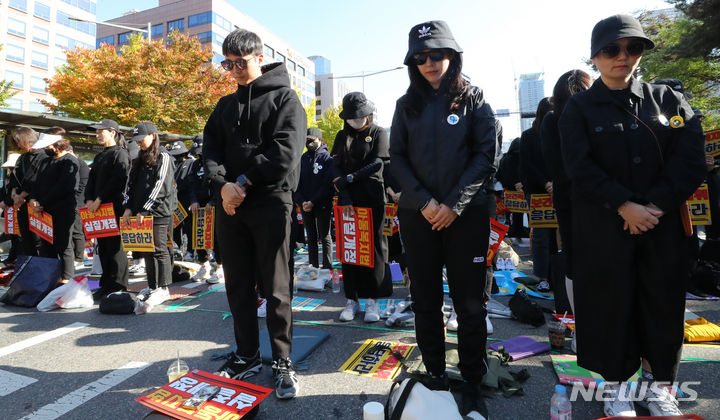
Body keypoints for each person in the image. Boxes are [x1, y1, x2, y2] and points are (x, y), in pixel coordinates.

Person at [559, 15, 707, 417]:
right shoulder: (579, 109)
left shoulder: (670, 100)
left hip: (662, 229)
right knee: (610, 305)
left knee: (662, 305)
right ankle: (615, 386)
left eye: (633, 48)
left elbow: (691, 159)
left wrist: (654, 207)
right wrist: (625, 205)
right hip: (606, 228)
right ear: (594, 57)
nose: (623, 57)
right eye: (611, 50)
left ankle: (661, 386)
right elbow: (579, 166)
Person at [390, 20, 498, 418]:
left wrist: (453, 204)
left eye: (438, 53)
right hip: (419, 216)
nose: (431, 62)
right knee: (425, 301)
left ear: (453, 55)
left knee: (470, 304)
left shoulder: (475, 99)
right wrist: (423, 202)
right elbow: (396, 157)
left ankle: (472, 379)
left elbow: (485, 156)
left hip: (465, 217)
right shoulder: (406, 105)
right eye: (421, 57)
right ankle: (435, 373)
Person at [202, 28, 305, 399]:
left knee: (276, 287)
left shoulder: (285, 99)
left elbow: (285, 153)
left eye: (240, 63)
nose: (234, 71)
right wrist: (223, 186)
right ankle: (246, 353)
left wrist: (241, 182)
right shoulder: (224, 106)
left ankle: (281, 359)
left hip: (270, 202)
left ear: (259, 58)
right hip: (230, 206)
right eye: (228, 64)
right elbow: (209, 150)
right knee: (237, 284)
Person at [331, 92, 392, 323]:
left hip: (372, 198)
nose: (356, 121)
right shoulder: (341, 135)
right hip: (348, 200)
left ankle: (373, 299)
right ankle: (352, 299)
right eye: (352, 118)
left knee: (374, 246)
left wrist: (351, 178)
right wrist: (344, 192)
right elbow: (335, 167)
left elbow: (378, 162)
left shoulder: (378, 132)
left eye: (360, 116)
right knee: (350, 247)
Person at [541, 69, 592, 321]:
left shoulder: (551, 120)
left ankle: (578, 325)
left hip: (568, 199)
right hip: (602, 199)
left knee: (574, 259)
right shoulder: (594, 115)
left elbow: (554, 165)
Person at [123, 122, 175, 306]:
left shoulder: (164, 156)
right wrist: (129, 208)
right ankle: (153, 286)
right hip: (140, 213)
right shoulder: (139, 158)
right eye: (136, 140)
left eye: (141, 139)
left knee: (160, 250)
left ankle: (164, 288)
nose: (139, 143)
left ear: (153, 136)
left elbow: (162, 186)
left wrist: (146, 208)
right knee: (146, 250)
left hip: (158, 212)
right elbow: (131, 185)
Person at [86, 119, 131, 300]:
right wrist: (89, 199)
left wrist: (99, 198)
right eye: (96, 132)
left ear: (112, 132)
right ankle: (106, 284)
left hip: (113, 207)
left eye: (100, 131)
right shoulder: (100, 156)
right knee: (102, 248)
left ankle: (119, 285)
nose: (97, 135)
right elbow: (91, 180)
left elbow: (118, 180)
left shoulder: (120, 154)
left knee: (115, 248)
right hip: (98, 209)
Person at [27, 128, 80, 281]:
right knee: (46, 244)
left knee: (63, 245)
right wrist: (33, 199)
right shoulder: (45, 161)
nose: (45, 149)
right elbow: (35, 183)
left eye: (48, 146)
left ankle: (66, 279)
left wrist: (42, 202)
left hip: (63, 209)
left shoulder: (69, 161)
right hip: (43, 210)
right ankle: (49, 277)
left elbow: (64, 187)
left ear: (58, 144)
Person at [519, 98, 555, 294]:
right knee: (541, 235)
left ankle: (559, 273)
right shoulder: (529, 136)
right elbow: (527, 164)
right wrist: (545, 182)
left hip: (559, 190)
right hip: (537, 192)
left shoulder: (562, 132)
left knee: (560, 236)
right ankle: (542, 276)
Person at [294, 127, 334, 269]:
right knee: (310, 236)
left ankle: (327, 267)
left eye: (312, 140)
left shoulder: (327, 159)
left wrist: (313, 201)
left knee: (325, 236)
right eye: (307, 140)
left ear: (320, 140)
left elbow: (328, 185)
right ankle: (313, 266)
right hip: (305, 204)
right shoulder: (303, 159)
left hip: (322, 203)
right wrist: (302, 201)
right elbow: (296, 182)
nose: (309, 143)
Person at [8, 127, 46, 257]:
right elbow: (13, 179)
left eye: (19, 140)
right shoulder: (22, 158)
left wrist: (21, 196)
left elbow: (36, 180)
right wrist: (14, 195)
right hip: (21, 204)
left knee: (38, 239)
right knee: (26, 239)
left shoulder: (43, 156)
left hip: (36, 203)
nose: (18, 144)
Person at [68, 144, 90, 271]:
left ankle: (79, 258)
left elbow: (82, 185)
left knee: (77, 232)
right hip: (70, 203)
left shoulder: (80, 164)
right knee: (70, 232)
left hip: (79, 203)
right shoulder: (70, 163)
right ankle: (74, 257)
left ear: (71, 151)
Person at [0, 153, 22, 264]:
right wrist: (2, 201)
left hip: (17, 208)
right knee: (13, 234)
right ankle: (13, 256)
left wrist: (6, 201)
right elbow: (3, 191)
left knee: (19, 235)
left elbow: (17, 193)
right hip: (8, 210)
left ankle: (18, 256)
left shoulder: (20, 176)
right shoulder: (8, 176)